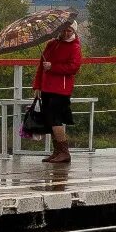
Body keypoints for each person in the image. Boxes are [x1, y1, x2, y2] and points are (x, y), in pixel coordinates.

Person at [34, 14, 83, 163]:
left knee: (56, 120)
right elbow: (41, 66)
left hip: (60, 89)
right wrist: (37, 85)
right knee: (50, 120)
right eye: (64, 30)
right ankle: (57, 151)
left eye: (69, 30)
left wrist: (53, 67)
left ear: (73, 31)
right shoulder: (51, 44)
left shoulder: (75, 47)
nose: (66, 33)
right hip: (47, 87)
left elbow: (73, 67)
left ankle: (64, 151)